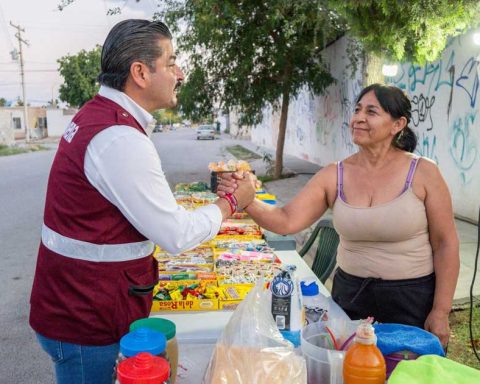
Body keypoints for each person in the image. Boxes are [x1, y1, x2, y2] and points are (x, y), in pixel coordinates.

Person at [30, 19, 255, 384]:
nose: (179, 73)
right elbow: (176, 235)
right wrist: (233, 201)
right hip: (86, 318)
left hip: (79, 303)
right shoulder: (119, 137)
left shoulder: (100, 116)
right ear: (140, 72)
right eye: (170, 62)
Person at [218, 83, 459, 347]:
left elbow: (445, 244)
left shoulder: (424, 172)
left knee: (406, 373)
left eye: (371, 111)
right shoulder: (335, 174)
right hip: (351, 298)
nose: (359, 118)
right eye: (357, 110)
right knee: (350, 370)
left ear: (398, 124)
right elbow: (286, 220)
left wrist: (440, 311)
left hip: (412, 300)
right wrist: (248, 200)